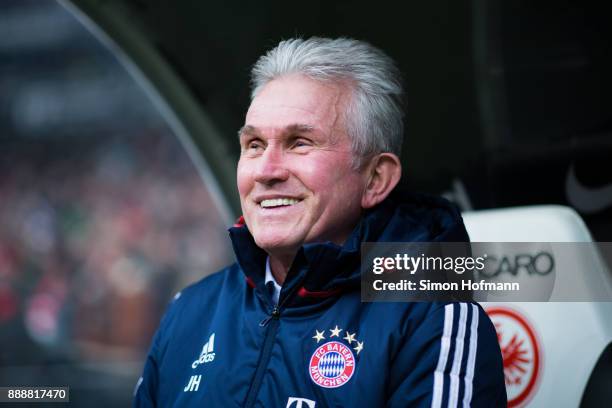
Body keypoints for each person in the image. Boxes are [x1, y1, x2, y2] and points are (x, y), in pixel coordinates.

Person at [134, 37, 506, 407]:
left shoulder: (432, 320)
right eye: (254, 145)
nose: (265, 171)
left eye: (299, 142)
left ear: (376, 179)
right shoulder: (189, 309)